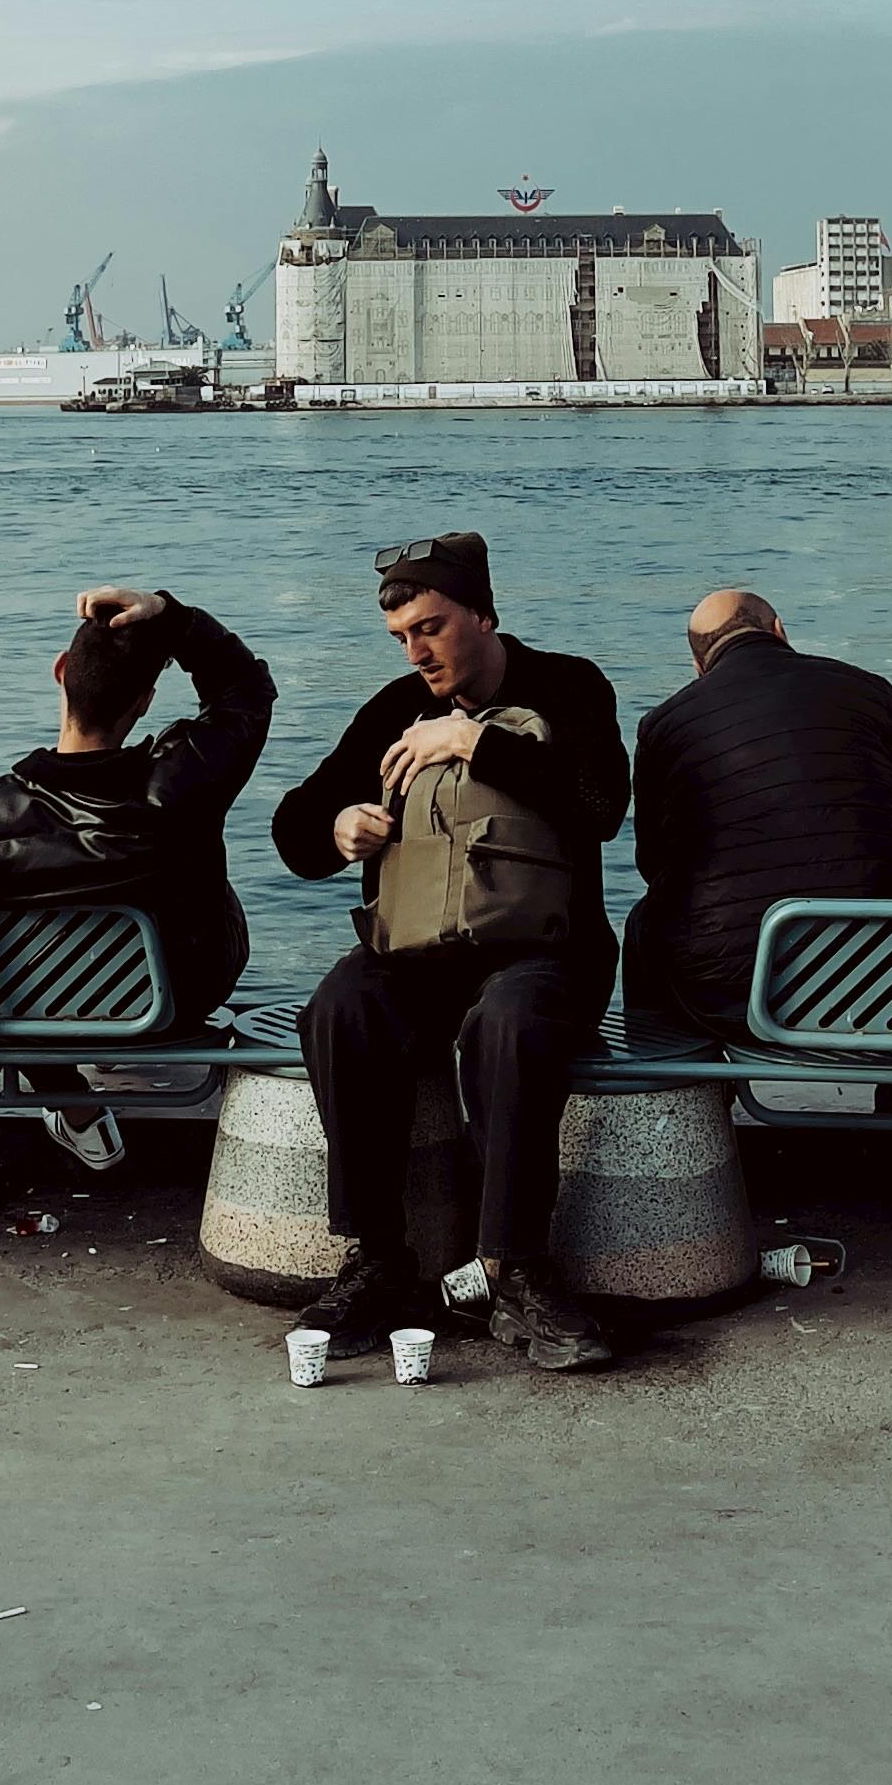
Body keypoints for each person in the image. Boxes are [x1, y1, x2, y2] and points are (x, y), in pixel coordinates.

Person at [272, 531, 629, 1374]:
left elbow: (601, 803)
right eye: (401, 637)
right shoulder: (392, 710)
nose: (416, 649)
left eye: (430, 627)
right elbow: (292, 831)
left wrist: (472, 743)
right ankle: (378, 1260)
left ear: (483, 613)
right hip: (421, 962)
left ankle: (515, 1270)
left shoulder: (569, 686)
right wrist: (338, 829)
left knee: (507, 1022)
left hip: (548, 955)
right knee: (340, 1003)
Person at [0, 585, 274, 1171]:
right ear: (146, 700)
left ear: (60, 672)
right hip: (171, 1007)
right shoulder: (188, 781)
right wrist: (174, 619)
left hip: (38, 1018)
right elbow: (245, 689)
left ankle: (61, 1089)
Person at [624, 588, 892, 1040]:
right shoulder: (870, 690)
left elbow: (653, 865)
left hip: (734, 992)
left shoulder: (664, 724)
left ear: (699, 666)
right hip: (891, 976)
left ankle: (686, 1098)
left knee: (644, 924)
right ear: (779, 631)